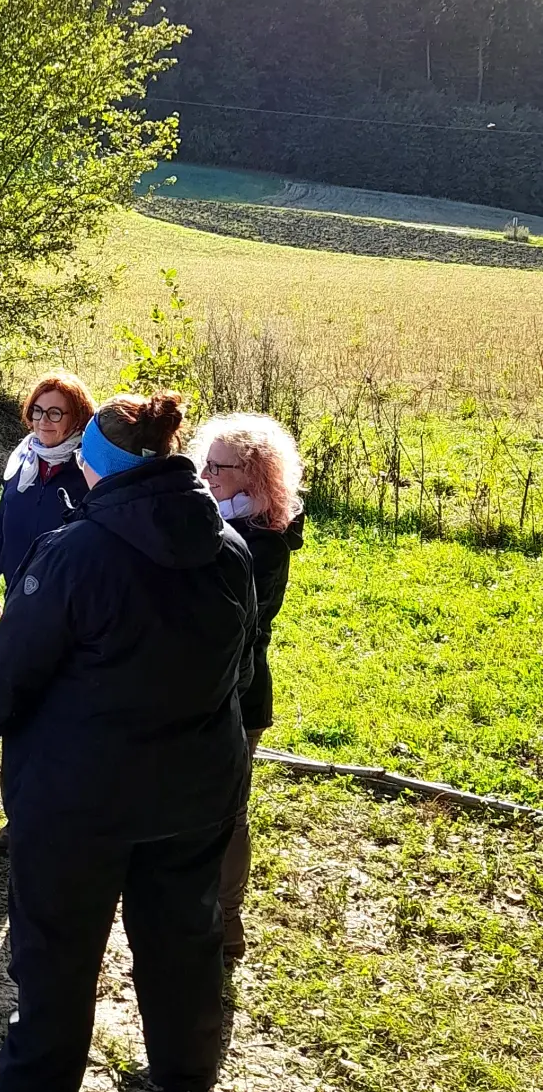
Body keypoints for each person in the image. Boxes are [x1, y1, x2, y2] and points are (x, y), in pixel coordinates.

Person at [0, 392, 257, 1092]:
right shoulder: (229, 551)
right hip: (196, 789)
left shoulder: (74, 554)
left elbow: (5, 678)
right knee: (183, 937)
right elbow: (240, 667)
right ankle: (183, 1075)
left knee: (58, 950)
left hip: (81, 800)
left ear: (94, 467)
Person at [191, 413, 305, 965]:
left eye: (219, 467)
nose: (206, 474)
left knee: (228, 811)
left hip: (238, 694)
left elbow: (239, 629)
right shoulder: (211, 521)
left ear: (255, 475)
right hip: (202, 689)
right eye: (204, 463)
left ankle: (227, 921)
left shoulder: (263, 543)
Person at [0, 369, 95, 620]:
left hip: (69, 608)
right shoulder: (22, 463)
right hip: (19, 597)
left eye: (55, 413)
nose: (43, 421)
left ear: (78, 417)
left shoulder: (89, 471)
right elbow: (2, 530)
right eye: (38, 410)